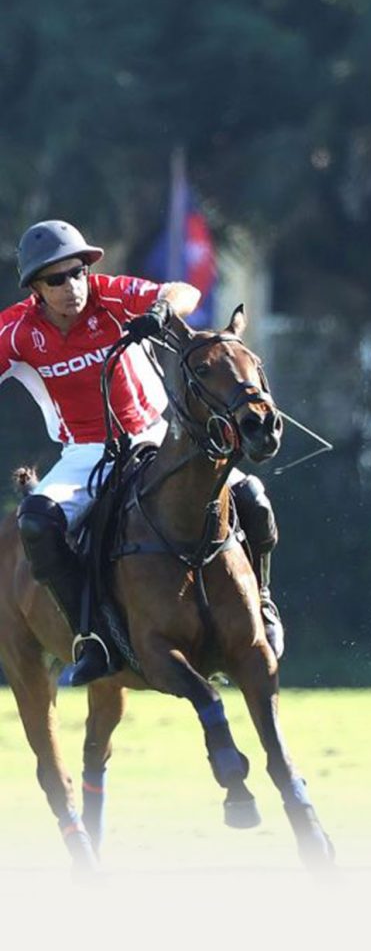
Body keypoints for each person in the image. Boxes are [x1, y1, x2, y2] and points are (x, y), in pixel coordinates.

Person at [2, 220, 280, 686]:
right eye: (57, 279)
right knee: (35, 522)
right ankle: (92, 638)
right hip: (86, 453)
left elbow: (184, 291)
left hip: (156, 437)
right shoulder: (17, 330)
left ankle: (263, 603)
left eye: (78, 272)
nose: (72, 286)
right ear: (36, 289)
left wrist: (159, 310)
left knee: (252, 497)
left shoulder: (108, 295)